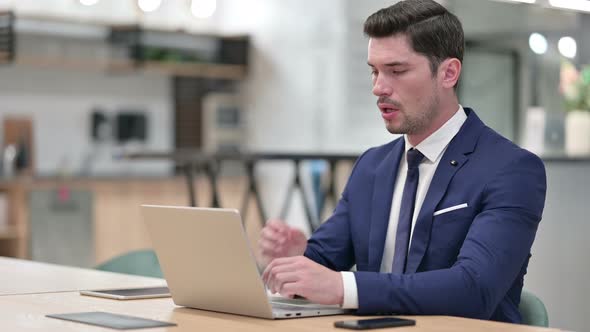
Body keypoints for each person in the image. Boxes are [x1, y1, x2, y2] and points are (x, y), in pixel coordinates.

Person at [259, 0, 546, 324]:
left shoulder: (511, 170)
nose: (378, 87)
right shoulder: (372, 167)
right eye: (374, 71)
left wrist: (343, 286)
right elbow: (324, 263)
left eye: (396, 71)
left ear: (449, 73)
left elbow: (473, 290)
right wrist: (296, 261)